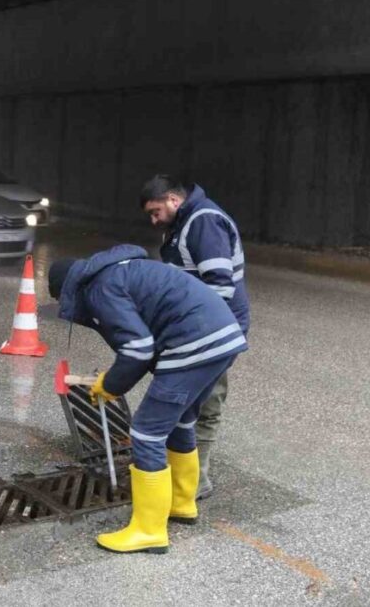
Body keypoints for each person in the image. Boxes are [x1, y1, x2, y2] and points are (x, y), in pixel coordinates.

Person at [48, 245, 246, 554]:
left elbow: (138, 349)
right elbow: (146, 339)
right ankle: (182, 503)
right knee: (182, 421)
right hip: (222, 338)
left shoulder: (101, 288)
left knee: (146, 431)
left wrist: (111, 385)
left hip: (193, 343)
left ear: (68, 290)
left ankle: (149, 530)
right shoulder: (121, 272)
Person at [140, 175, 250, 499]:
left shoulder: (203, 223)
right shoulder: (180, 224)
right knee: (191, 402)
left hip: (215, 329)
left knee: (204, 402)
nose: (153, 219)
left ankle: (194, 483)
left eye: (156, 211)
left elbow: (219, 287)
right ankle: (185, 476)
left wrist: (193, 335)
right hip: (201, 329)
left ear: (174, 200)